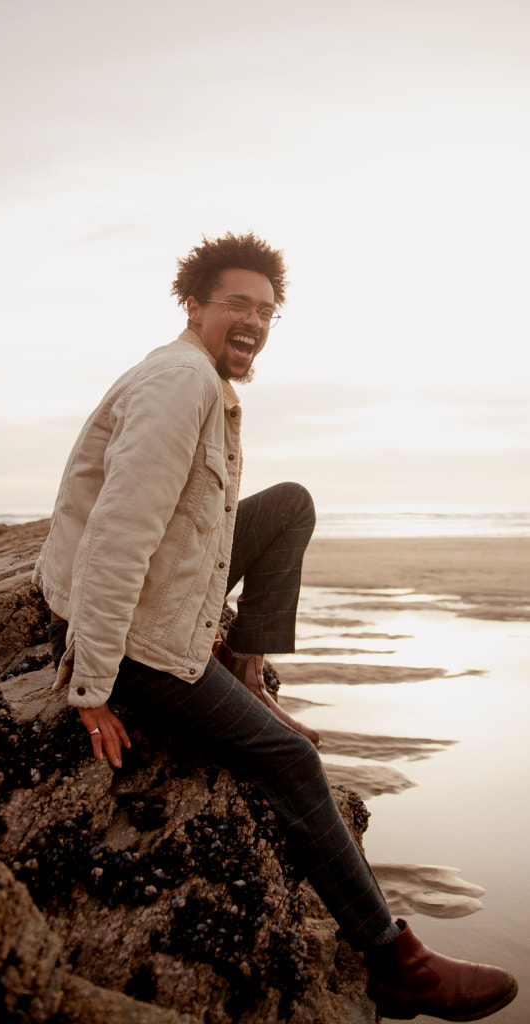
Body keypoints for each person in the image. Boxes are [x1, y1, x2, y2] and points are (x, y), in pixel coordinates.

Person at [33, 232, 517, 1021]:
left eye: (265, 309)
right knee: (290, 759)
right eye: (236, 304)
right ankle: (397, 965)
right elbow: (118, 534)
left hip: (164, 597)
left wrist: (237, 669)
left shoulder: (205, 379)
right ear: (192, 304)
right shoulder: (177, 384)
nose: (253, 319)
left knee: (289, 503)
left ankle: (244, 664)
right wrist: (89, 684)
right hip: (129, 643)